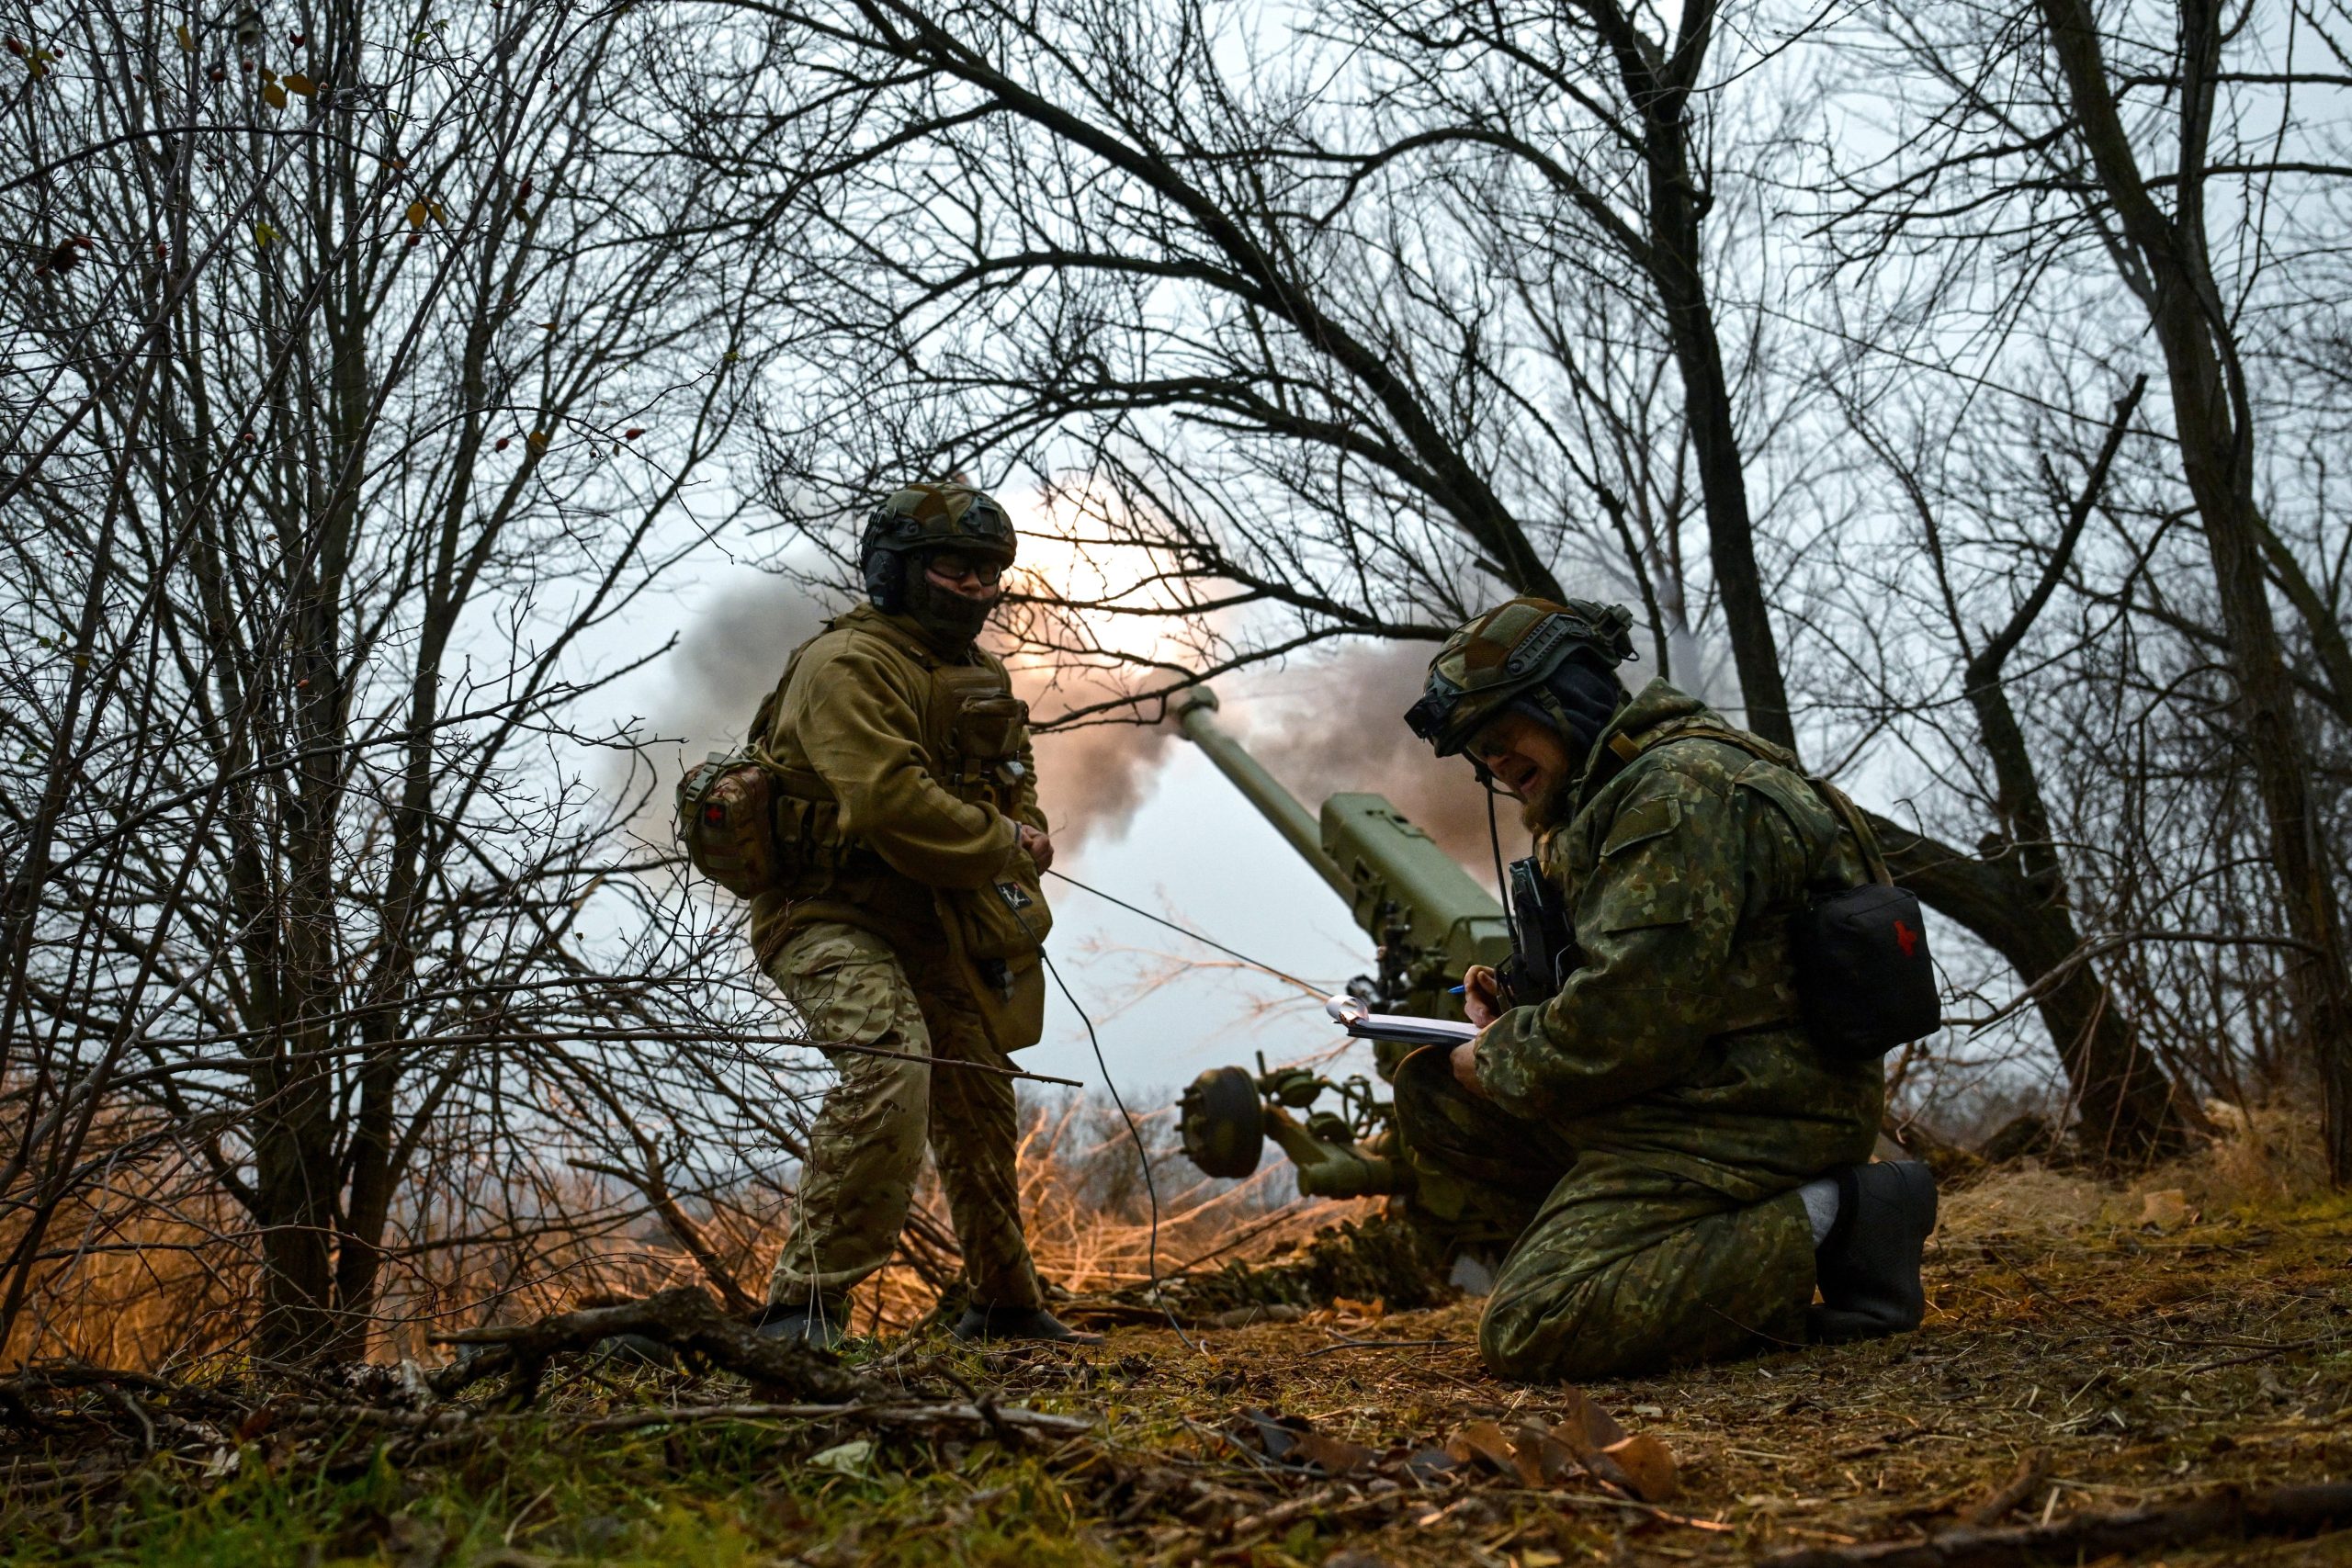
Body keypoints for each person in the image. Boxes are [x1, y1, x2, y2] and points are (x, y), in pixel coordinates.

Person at [1395, 596, 1938, 1382]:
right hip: (1709, 1087)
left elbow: (1632, 1018)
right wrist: (1516, 1016)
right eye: (1479, 752)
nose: (1493, 766)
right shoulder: (1637, 784)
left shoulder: (1674, 794)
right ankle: (1643, 1254)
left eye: (1500, 737)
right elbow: (1666, 980)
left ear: (1564, 697)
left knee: (1529, 1327)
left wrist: (1508, 1050)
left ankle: (1839, 1214)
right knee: (1440, 1093)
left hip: (1754, 1113)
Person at [747, 481, 1096, 1349]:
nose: (974, 588)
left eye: (988, 572)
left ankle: (1005, 1304)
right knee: (889, 1067)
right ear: (895, 570)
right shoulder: (845, 666)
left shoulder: (982, 675)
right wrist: (1008, 842)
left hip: (939, 915)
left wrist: (1028, 832)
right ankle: (802, 1312)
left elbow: (1017, 781)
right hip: (826, 912)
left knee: (979, 1091)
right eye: (953, 567)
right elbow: (890, 801)